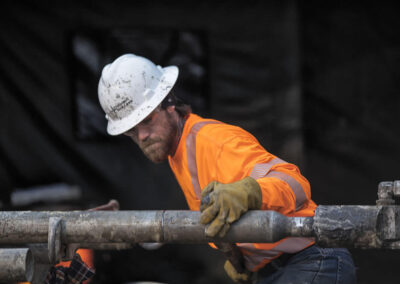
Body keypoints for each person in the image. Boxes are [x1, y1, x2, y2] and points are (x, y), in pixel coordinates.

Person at [98, 53, 356, 283]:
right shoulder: (180, 155)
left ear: (169, 103)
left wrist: (249, 191)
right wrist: (243, 258)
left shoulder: (212, 141)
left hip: (312, 261)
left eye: (148, 119)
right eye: (132, 130)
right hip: (280, 270)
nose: (142, 135)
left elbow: (295, 184)